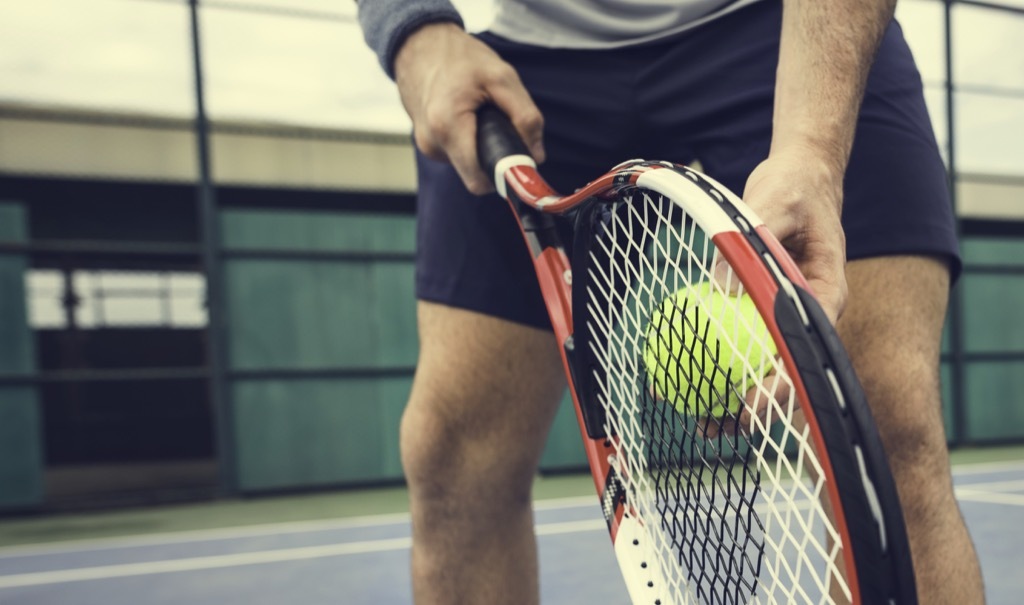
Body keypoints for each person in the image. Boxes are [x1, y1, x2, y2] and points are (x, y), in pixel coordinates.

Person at [357, 0, 985, 603]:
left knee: (879, 429)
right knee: (452, 459)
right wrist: (417, 34)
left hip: (789, 25)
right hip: (534, 68)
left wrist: (812, 151)